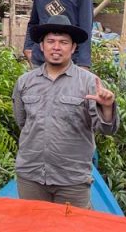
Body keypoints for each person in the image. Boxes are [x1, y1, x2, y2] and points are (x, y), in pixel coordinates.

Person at [12, 15, 118, 209]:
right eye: (50, 41)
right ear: (42, 46)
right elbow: (22, 122)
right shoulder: (25, 83)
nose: (56, 47)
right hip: (31, 176)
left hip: (72, 180)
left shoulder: (88, 83)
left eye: (63, 42)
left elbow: (106, 129)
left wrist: (107, 107)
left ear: (73, 47)